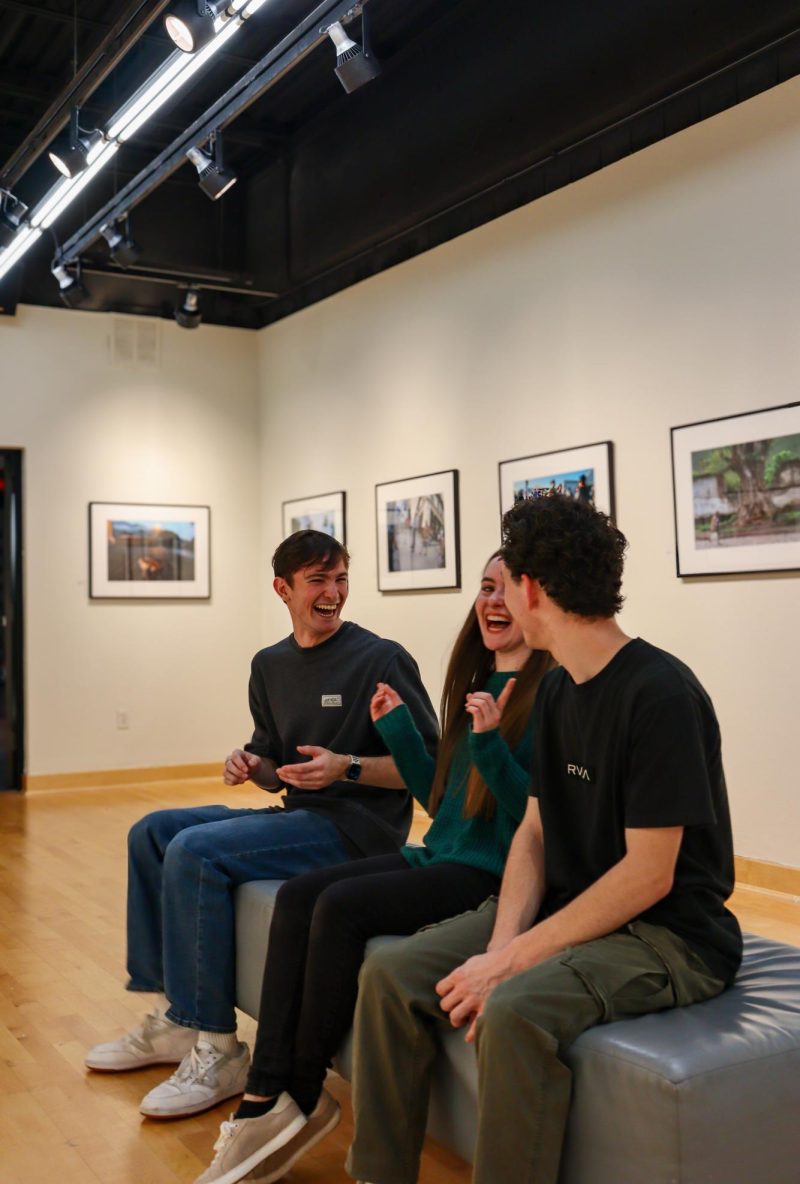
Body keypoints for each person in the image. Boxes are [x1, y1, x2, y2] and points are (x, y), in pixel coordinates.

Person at [346, 493, 743, 1184]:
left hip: (672, 936)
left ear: (530, 589)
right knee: (388, 975)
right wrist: (503, 945)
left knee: (516, 1008)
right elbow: (533, 831)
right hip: (575, 911)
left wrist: (513, 966)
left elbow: (650, 875)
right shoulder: (560, 690)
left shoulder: (660, 694)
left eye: (506, 583)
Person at [191, 552, 553, 1184]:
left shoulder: (548, 693)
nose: (495, 603)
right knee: (300, 896)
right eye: (487, 587)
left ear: (537, 604)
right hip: (439, 852)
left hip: (489, 873)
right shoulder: (477, 680)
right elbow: (443, 801)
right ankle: (264, 1088)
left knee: (339, 907)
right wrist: (401, 735)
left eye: (510, 591)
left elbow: (528, 817)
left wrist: (491, 745)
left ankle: (300, 1094)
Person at [84, 529, 438, 1120]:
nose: (334, 593)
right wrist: (252, 765)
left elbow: (427, 767)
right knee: (152, 831)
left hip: (358, 830)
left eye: (341, 579)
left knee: (195, 852)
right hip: (301, 814)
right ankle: (177, 1017)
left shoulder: (381, 657)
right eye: (318, 581)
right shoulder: (269, 665)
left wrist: (344, 769)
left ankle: (218, 1049)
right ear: (284, 588)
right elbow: (275, 763)